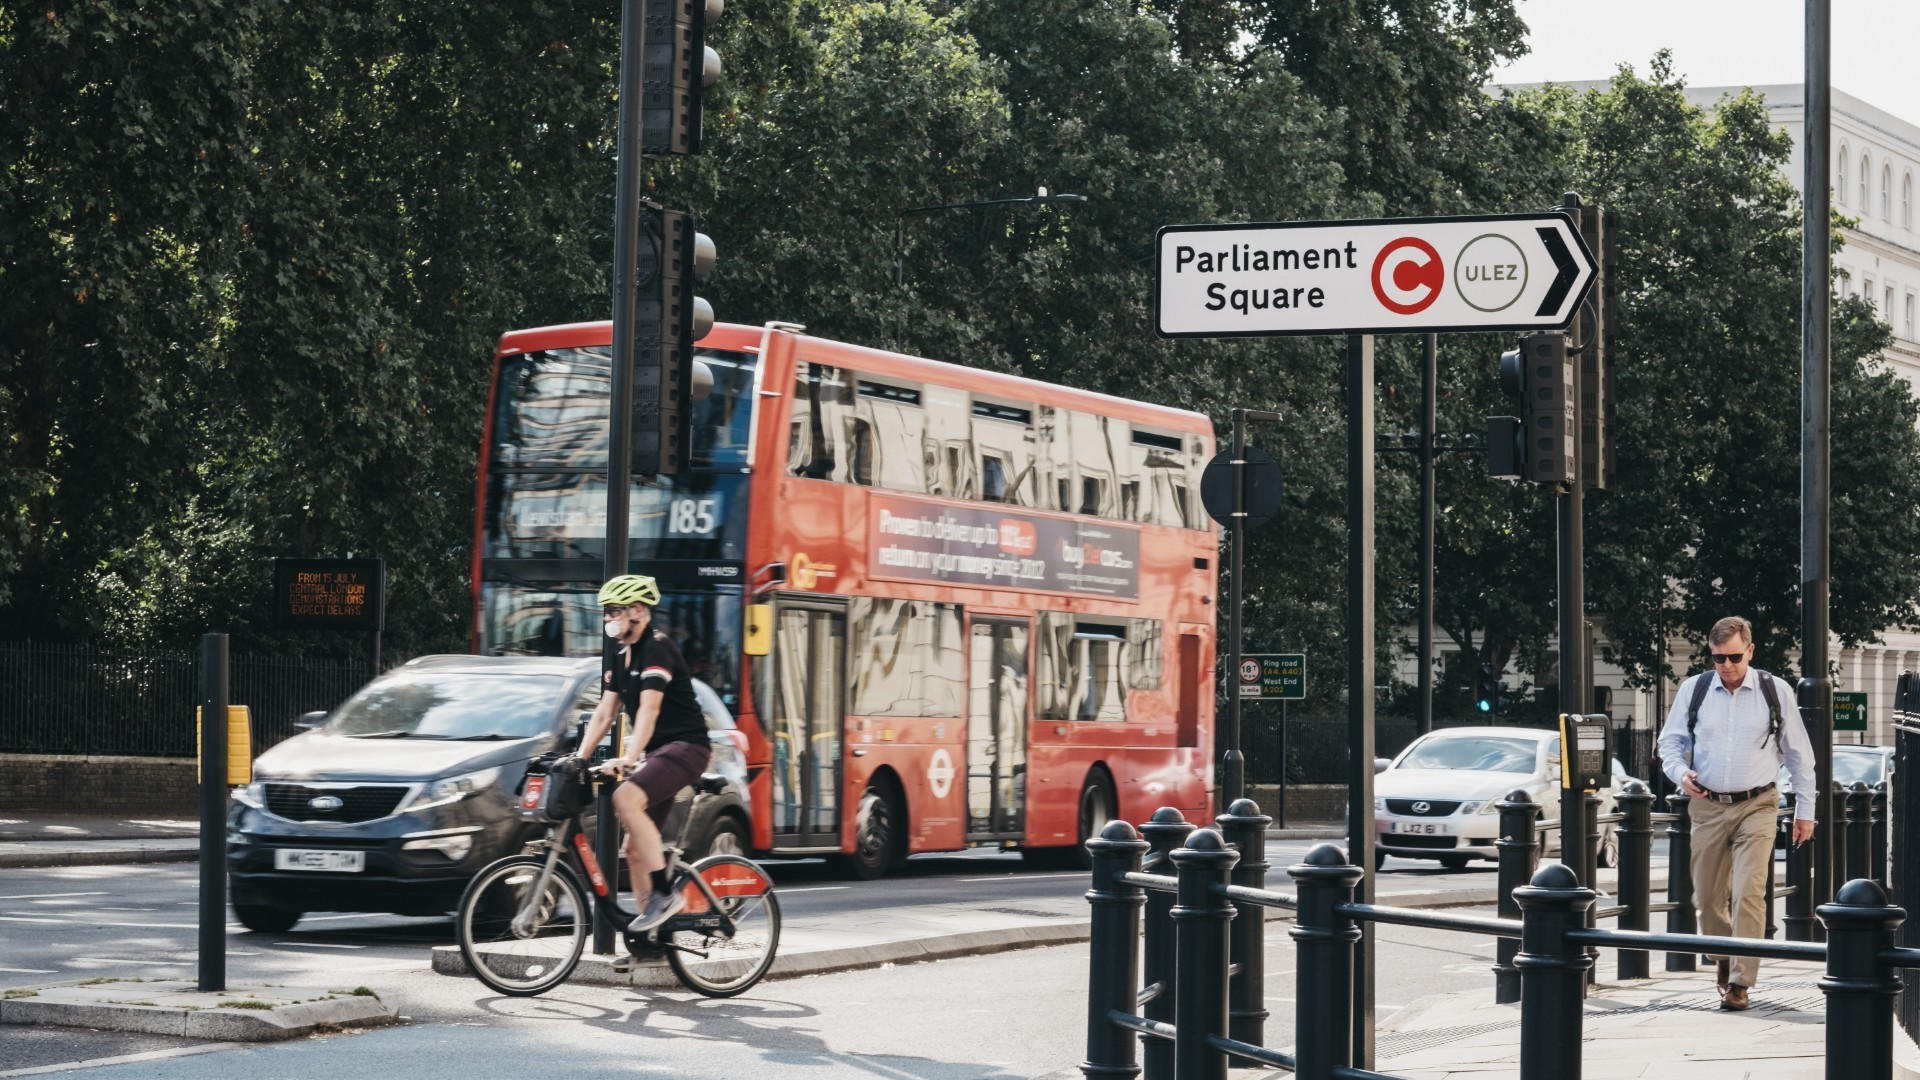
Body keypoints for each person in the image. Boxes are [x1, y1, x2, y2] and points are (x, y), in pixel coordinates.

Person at [1655, 615, 1816, 1011]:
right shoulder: (1695, 690)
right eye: (1717, 658)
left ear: (1750, 651)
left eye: (1733, 657)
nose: (1726, 666)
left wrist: (1805, 810)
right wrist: (1680, 773)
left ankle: (1741, 982)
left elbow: (1799, 755)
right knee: (1706, 900)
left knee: (1748, 891)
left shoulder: (1773, 690)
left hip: (1758, 804)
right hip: (1707, 806)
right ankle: (1724, 957)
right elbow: (1669, 744)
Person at [573, 574, 713, 932]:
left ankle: (664, 895)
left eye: (614, 611)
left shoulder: (658, 648)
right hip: (660, 753)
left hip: (686, 748)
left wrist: (631, 757)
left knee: (625, 798)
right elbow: (605, 714)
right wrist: (578, 757)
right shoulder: (622, 657)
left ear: (638, 611)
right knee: (633, 850)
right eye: (605, 613)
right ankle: (651, 937)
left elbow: (649, 711)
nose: (607, 619)